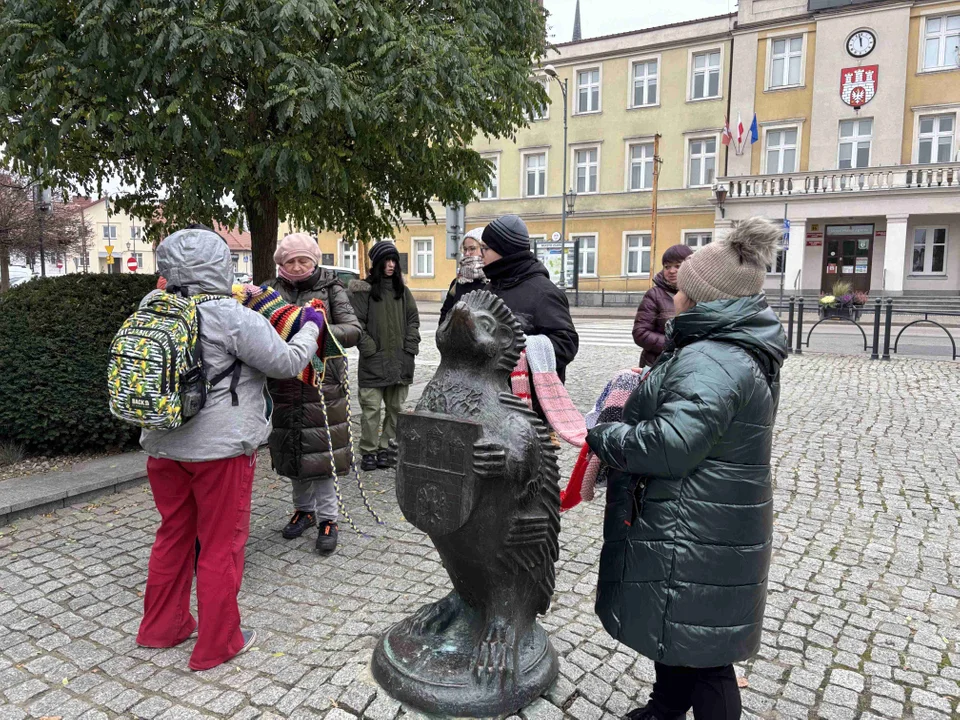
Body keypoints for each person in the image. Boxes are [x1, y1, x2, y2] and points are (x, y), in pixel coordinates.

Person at [585, 218, 788, 720]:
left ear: (698, 297)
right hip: (698, 516)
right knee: (675, 625)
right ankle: (667, 705)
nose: (673, 289)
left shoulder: (712, 358)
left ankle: (677, 703)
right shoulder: (719, 349)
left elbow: (671, 444)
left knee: (707, 656)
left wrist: (604, 433)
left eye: (683, 285)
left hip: (695, 524)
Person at [136, 228, 323, 672]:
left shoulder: (152, 306)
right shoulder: (231, 315)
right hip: (220, 450)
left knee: (173, 535)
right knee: (222, 545)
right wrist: (311, 328)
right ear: (221, 267)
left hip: (162, 444)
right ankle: (219, 643)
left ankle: (162, 627)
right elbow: (285, 363)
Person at [267, 233, 362, 555]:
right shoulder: (271, 290)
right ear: (281, 263)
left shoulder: (333, 288)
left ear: (314, 260)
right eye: (290, 260)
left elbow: (353, 330)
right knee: (293, 450)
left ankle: (328, 518)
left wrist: (314, 327)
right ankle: (303, 510)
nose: (297, 266)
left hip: (324, 384)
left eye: (303, 260)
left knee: (322, 454)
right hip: (284, 381)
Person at [480, 214, 579, 417]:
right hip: (488, 401)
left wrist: (516, 349)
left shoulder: (544, 292)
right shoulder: (490, 288)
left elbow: (567, 343)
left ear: (503, 249)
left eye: (485, 248)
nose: (481, 254)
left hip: (528, 410)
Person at [349, 241, 421, 471]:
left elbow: (413, 320)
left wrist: (409, 346)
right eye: (386, 261)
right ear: (377, 264)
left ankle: (386, 448)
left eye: (394, 261)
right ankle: (368, 451)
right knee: (371, 410)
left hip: (400, 360)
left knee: (396, 409)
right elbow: (356, 323)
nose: (390, 265)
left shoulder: (403, 292)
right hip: (373, 361)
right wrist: (369, 348)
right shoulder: (365, 292)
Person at [632, 243, 694, 368]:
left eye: (678, 266)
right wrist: (672, 345)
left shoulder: (700, 293)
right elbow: (640, 333)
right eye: (667, 267)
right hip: (657, 364)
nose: (671, 271)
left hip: (690, 364)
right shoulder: (654, 295)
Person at [438, 226, 487, 325]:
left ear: (484, 249)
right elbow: (446, 312)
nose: (467, 253)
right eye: (465, 249)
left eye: (472, 248)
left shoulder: (492, 279)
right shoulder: (458, 281)